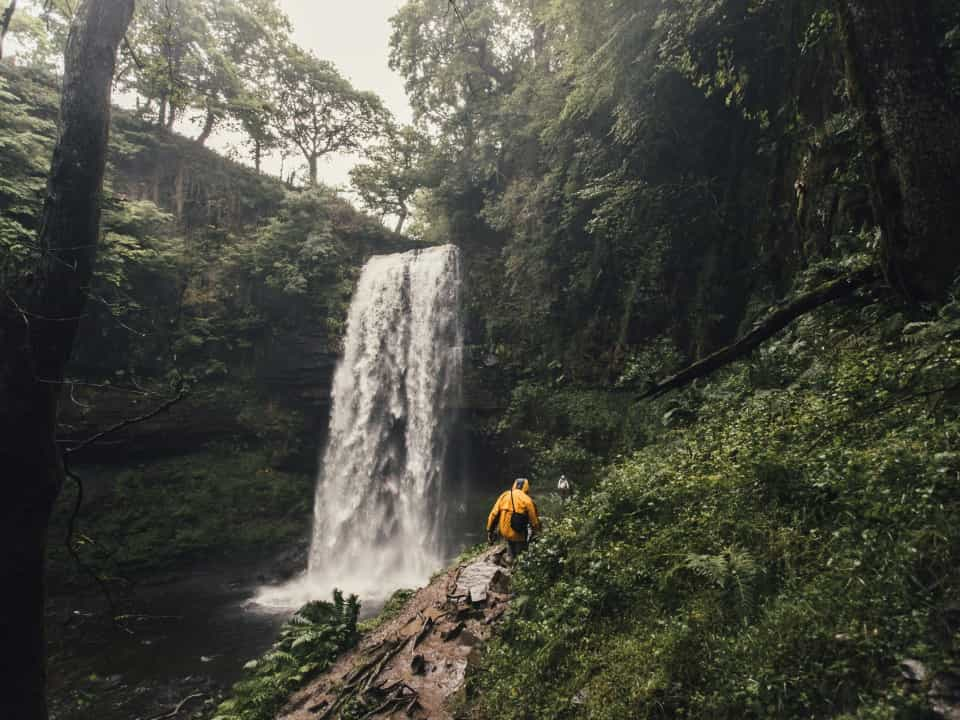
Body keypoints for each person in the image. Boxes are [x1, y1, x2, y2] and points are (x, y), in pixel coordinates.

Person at [486, 478, 541, 560]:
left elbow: (493, 515)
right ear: (526, 488)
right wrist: (536, 533)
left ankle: (510, 559)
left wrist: (490, 530)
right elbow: (534, 521)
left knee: (510, 547)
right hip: (519, 533)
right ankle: (518, 565)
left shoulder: (504, 495)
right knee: (520, 555)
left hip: (505, 532)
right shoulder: (527, 500)